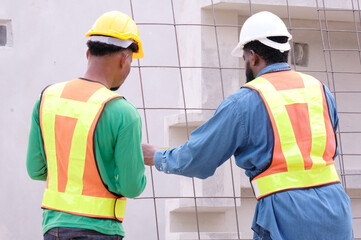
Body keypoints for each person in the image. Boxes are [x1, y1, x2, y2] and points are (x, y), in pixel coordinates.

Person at [142, 11, 353, 240]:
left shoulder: (243, 102)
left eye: (244, 58)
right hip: (336, 211)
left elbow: (199, 158)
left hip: (285, 216)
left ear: (252, 57)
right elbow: (327, 150)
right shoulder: (320, 91)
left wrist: (158, 157)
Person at [27, 11, 146, 240]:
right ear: (124, 58)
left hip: (53, 229)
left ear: (88, 53)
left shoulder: (47, 99)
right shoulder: (123, 113)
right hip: (100, 231)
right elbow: (132, 187)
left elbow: (35, 169)